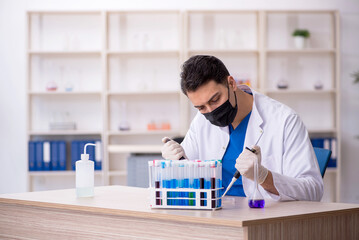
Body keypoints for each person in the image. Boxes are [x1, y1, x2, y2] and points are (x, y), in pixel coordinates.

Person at [161, 55, 323, 201]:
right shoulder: (201, 121)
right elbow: (189, 180)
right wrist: (176, 162)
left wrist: (264, 177)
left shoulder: (285, 120)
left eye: (215, 100)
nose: (211, 112)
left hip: (263, 220)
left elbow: (313, 190)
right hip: (214, 218)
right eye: (201, 107)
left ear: (231, 83)